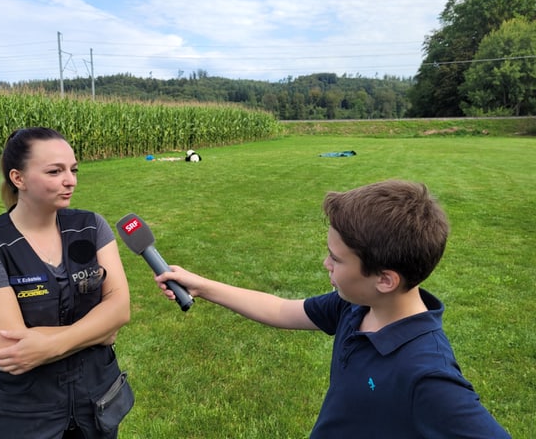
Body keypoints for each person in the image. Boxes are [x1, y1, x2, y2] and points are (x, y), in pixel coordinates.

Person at [154, 180, 511, 438]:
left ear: (385, 280)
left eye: (336, 258)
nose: (326, 263)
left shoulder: (426, 375)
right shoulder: (353, 308)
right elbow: (281, 310)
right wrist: (203, 286)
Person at [0, 127, 132, 439]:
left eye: (73, 169)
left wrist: (49, 344)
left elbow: (120, 310)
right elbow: (13, 351)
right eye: (55, 171)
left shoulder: (91, 227)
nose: (71, 180)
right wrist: (98, 330)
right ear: (18, 179)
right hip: (22, 416)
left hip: (96, 406)